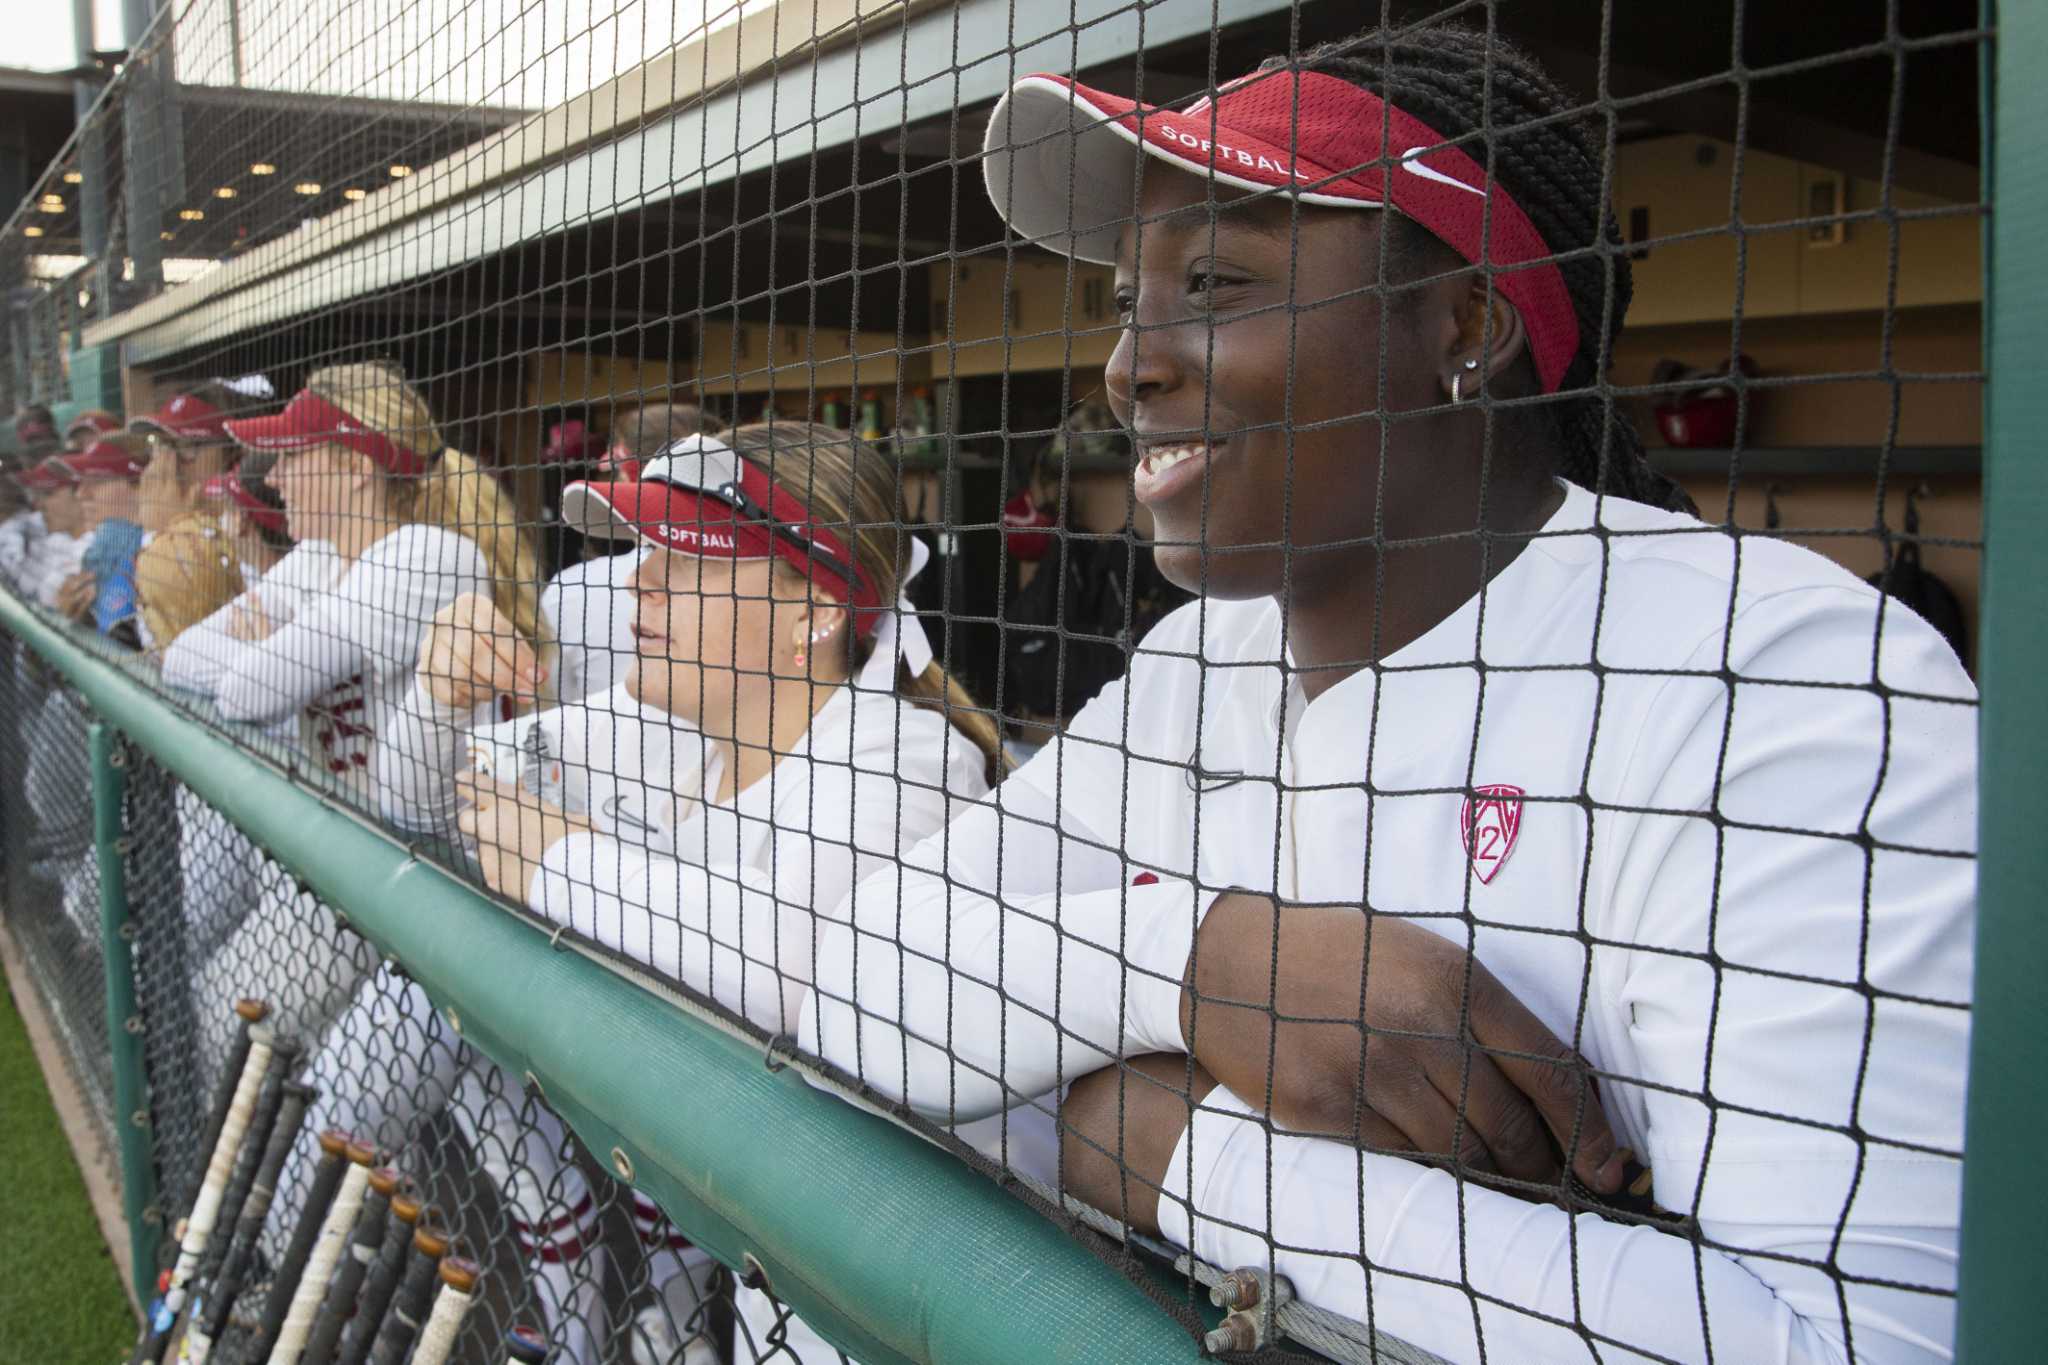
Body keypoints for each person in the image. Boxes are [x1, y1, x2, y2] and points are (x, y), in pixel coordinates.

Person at [802, 27, 1977, 1365]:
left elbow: (1856, 1344)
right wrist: (1206, 966)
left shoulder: (1789, 682)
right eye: (1132, 302)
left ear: (1463, 325)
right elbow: (857, 986)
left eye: (1216, 282)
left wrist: (1154, 1142)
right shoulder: (1204, 659)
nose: (1133, 366)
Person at [416, 423, 1008, 1363]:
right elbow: (451, 788)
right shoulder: (672, 729)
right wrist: (438, 690)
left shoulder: (908, 760)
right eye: (643, 549)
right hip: (782, 1243)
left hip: (933, 1280)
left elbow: (792, 972)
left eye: (683, 557)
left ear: (812, 605)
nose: (634, 580)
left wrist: (564, 861)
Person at [541, 403, 722, 702]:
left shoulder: (572, 588)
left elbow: (551, 707)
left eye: (616, 472)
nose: (638, 582)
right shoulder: (750, 577)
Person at [127, 377, 280, 649]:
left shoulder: (252, 528)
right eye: (162, 445)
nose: (169, 464)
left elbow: (175, 644)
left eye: (187, 447)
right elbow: (151, 639)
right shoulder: (172, 524)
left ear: (233, 454)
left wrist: (161, 537)